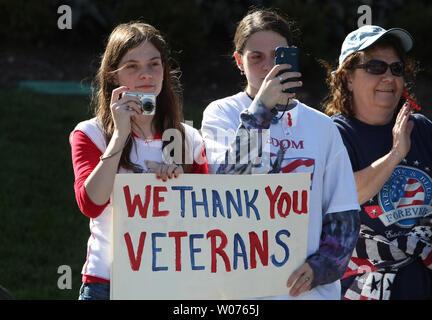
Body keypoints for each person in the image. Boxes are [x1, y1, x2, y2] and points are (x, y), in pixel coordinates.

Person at [200, 9, 360, 300]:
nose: (268, 66)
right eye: (256, 57)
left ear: (291, 57)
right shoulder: (221, 113)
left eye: (277, 55)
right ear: (239, 62)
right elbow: (223, 188)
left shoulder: (322, 126)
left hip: (310, 293)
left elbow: (344, 215)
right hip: (242, 292)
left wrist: (321, 268)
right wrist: (260, 110)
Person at [70, 22, 208, 300]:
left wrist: (181, 182)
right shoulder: (89, 133)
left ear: (164, 71)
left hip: (169, 284)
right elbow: (91, 203)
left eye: (154, 64)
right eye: (132, 66)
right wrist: (120, 135)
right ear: (112, 76)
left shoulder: (189, 138)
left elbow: (205, 215)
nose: (146, 75)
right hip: (106, 284)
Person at [324, 25, 432, 300]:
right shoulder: (333, 133)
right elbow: (348, 193)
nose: (389, 77)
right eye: (375, 67)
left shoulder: (419, 128)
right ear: (347, 78)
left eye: (397, 69)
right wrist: (396, 153)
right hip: (363, 289)